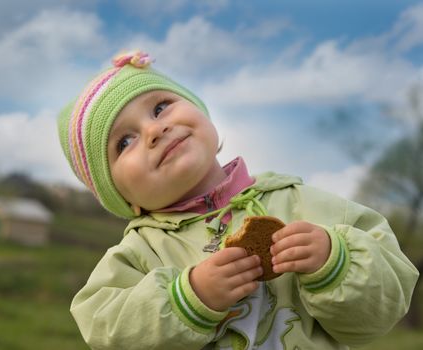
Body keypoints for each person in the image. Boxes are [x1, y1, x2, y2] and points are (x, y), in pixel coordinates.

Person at [57, 50, 419, 350]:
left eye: (160, 107)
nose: (155, 130)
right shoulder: (138, 253)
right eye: (124, 141)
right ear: (122, 198)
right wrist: (188, 299)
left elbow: (381, 314)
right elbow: (107, 332)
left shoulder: (305, 204)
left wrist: (334, 260)